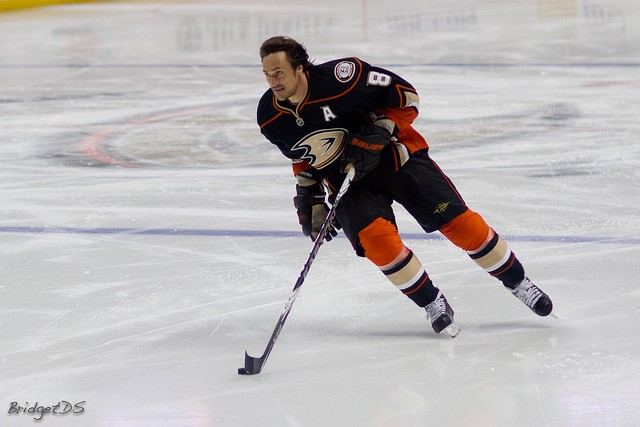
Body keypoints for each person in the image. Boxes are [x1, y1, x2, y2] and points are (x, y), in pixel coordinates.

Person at [256, 35, 552, 336]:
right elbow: (302, 157)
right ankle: (432, 302)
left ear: (300, 68)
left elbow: (407, 97)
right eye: (267, 74)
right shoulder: (269, 117)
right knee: (378, 243)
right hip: (350, 181)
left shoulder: (343, 78)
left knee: (461, 225)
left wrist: (382, 130)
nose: (273, 82)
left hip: (396, 157)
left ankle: (519, 283)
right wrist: (310, 195)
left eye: (279, 73)